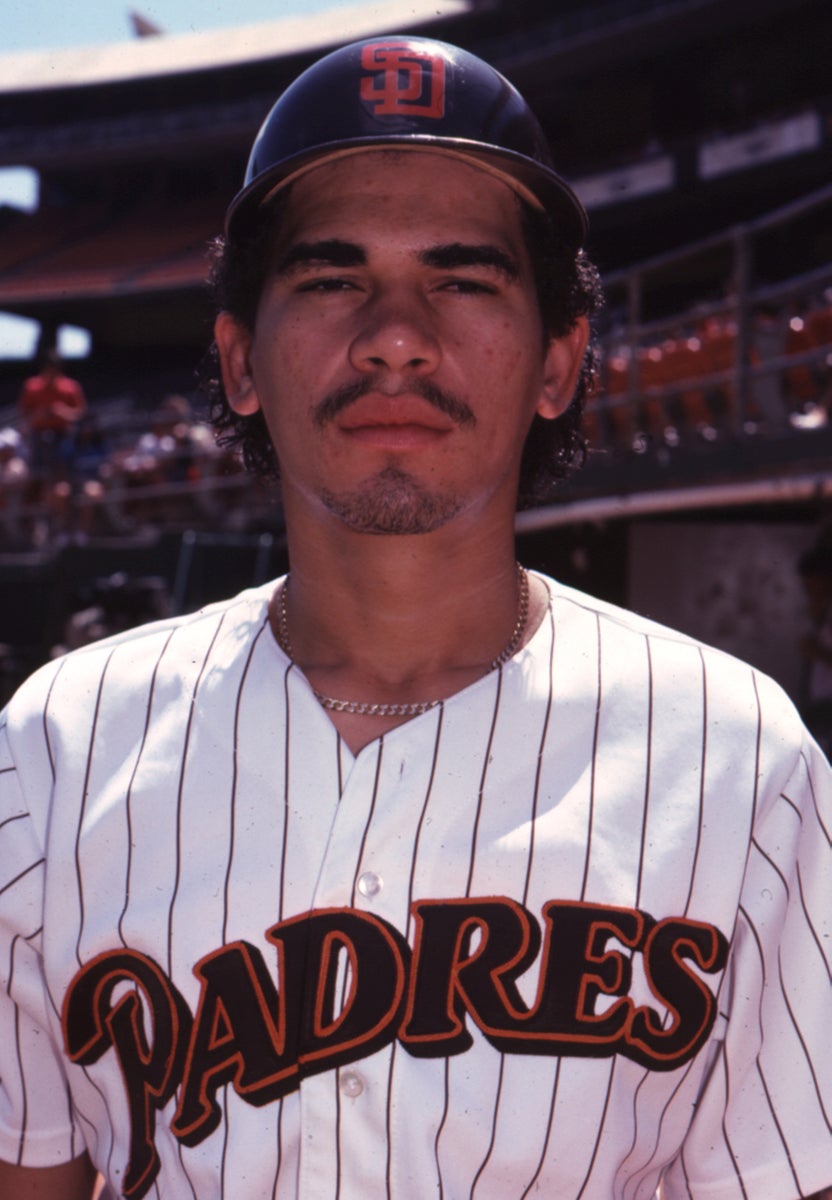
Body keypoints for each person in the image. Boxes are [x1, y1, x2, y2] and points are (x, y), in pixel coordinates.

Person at [0, 36, 829, 1200]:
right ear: (239, 359)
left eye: (462, 277)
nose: (396, 333)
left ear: (557, 362)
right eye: (333, 277)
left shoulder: (743, 761)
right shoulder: (54, 748)